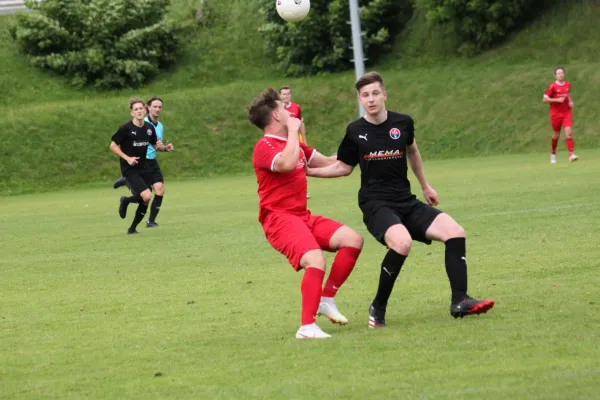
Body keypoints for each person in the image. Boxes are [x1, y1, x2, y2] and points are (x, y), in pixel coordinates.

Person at [306, 72, 495, 328]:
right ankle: (378, 306)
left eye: (375, 93)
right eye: (365, 95)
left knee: (455, 231)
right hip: (375, 204)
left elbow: (413, 151)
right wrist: (308, 171)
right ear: (360, 100)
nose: (371, 99)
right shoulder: (355, 130)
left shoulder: (403, 123)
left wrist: (426, 186)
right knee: (402, 242)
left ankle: (460, 301)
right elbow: (342, 167)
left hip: (406, 200)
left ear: (384, 94)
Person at [248, 88, 364, 339]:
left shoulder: (295, 144)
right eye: (283, 108)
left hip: (302, 216)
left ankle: (326, 299)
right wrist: (293, 131)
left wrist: (364, 152)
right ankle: (306, 326)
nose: (289, 112)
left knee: (353, 240)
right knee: (316, 260)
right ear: (276, 116)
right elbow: (287, 164)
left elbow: (331, 162)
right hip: (278, 219)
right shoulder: (264, 146)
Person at [109, 98, 168, 234]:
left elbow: (154, 145)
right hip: (130, 168)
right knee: (147, 196)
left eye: (141, 108)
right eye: (136, 109)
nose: (139, 111)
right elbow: (112, 146)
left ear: (145, 110)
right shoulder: (126, 128)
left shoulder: (149, 129)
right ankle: (126, 199)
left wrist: (164, 148)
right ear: (132, 113)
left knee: (145, 200)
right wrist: (127, 158)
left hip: (144, 166)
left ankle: (132, 227)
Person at [279, 85, 311, 198]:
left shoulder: (296, 107)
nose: (286, 96)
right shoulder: (278, 109)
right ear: (280, 95)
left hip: (295, 140)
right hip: (282, 141)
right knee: (285, 166)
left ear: (290, 95)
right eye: (284, 94)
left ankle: (302, 191)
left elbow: (300, 123)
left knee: (300, 164)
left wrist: (304, 139)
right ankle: (285, 190)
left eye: (288, 94)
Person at [543, 67, 578, 164]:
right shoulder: (553, 86)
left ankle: (571, 154)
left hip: (566, 112)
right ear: (555, 75)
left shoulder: (567, 84)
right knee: (556, 135)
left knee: (569, 133)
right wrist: (556, 100)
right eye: (558, 73)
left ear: (564, 74)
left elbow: (567, 94)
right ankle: (553, 153)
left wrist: (570, 101)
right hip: (555, 114)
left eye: (562, 73)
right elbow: (545, 99)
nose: (560, 74)